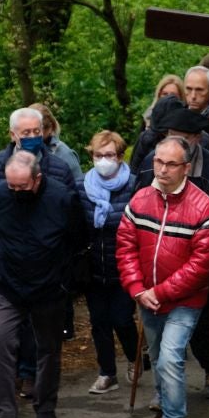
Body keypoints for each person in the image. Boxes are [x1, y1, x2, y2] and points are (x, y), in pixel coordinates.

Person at [0, 151, 85, 418]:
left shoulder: (62, 198)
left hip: (49, 286)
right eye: (12, 187)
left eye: (23, 186)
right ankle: (5, 415)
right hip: (8, 282)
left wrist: (68, 282)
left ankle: (45, 408)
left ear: (37, 178)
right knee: (0, 341)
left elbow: (79, 241)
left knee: (48, 348)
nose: (17, 192)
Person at [114, 138, 209, 418]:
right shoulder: (140, 200)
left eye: (171, 163)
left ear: (186, 167)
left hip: (185, 300)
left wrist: (158, 292)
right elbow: (125, 247)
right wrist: (137, 289)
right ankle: (162, 406)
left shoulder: (205, 207)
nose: (162, 168)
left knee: (171, 356)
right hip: (146, 295)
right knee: (159, 356)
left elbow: (201, 267)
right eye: (158, 161)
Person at [76, 131, 139, 396]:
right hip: (93, 267)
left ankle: (135, 356)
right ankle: (107, 373)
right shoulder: (82, 187)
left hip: (125, 265)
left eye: (109, 155)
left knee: (122, 319)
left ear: (120, 156)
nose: (104, 160)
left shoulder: (134, 185)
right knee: (99, 321)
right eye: (99, 155)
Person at [31, 103, 84, 181]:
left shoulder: (64, 154)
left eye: (36, 131)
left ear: (49, 128)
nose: (31, 136)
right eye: (26, 130)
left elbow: (79, 186)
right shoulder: (19, 150)